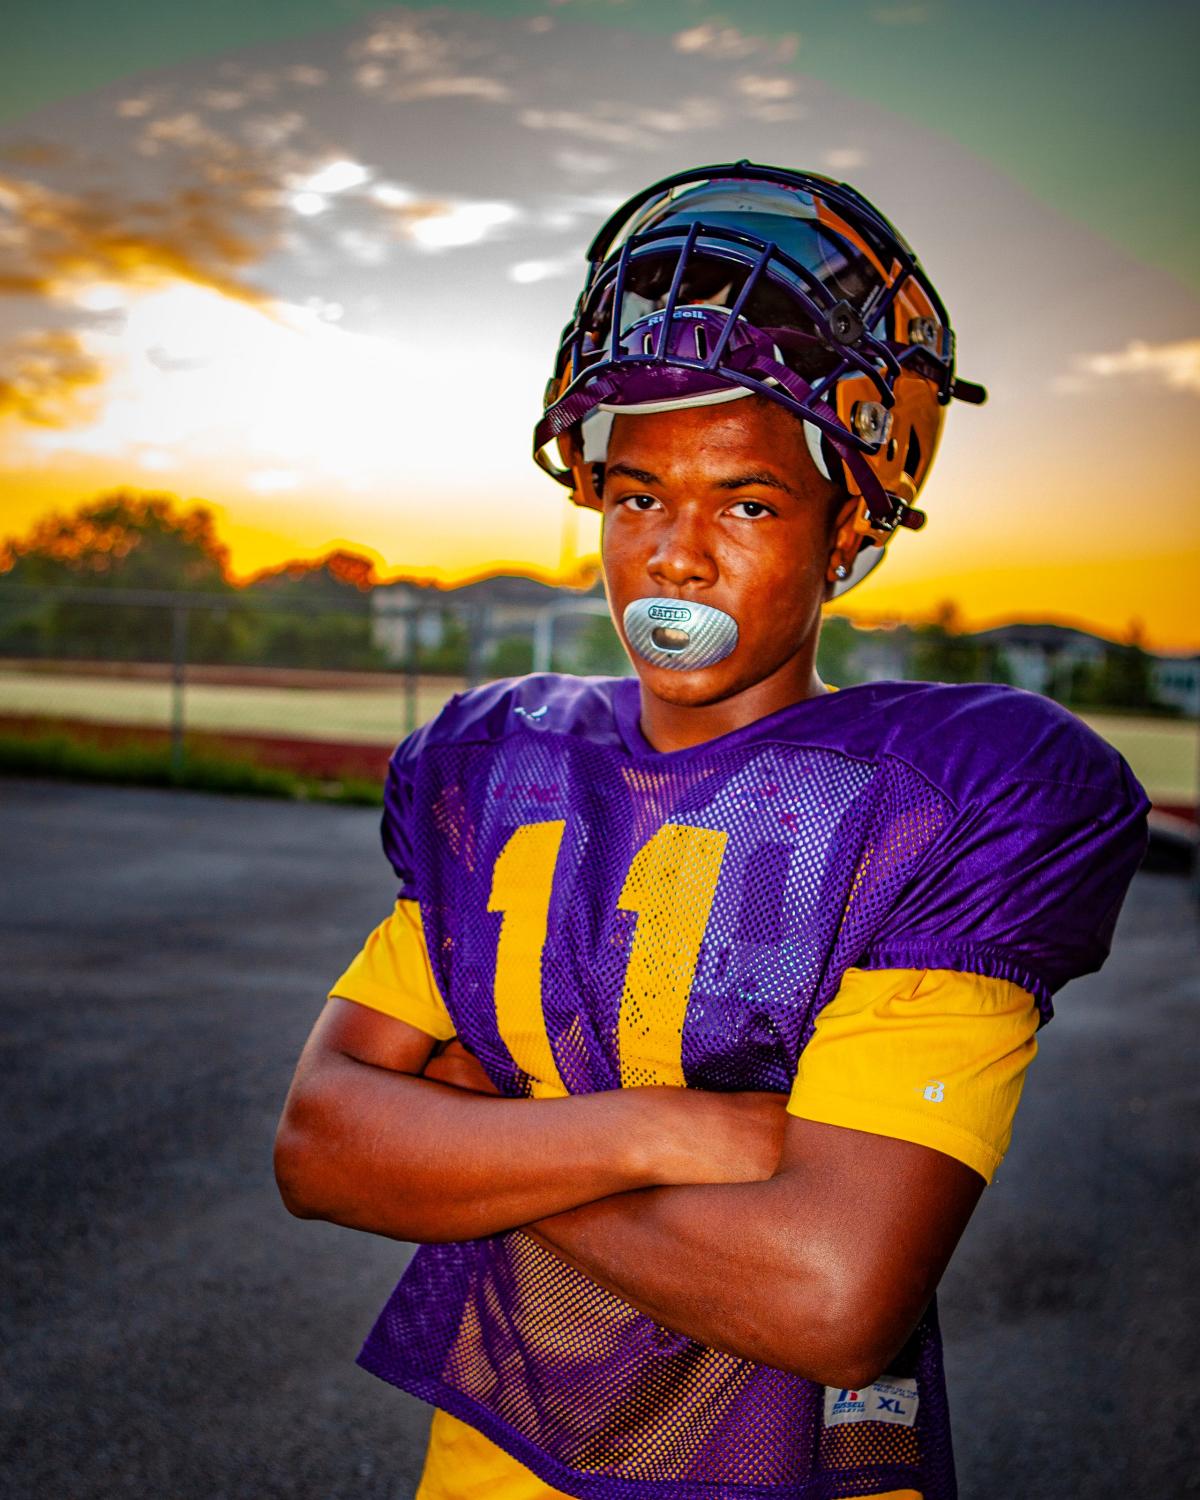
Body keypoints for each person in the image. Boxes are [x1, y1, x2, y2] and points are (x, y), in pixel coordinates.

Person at [275, 162, 1149, 1500]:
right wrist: (662, 1131)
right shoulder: (498, 765)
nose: (677, 556)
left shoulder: (946, 800)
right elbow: (321, 1144)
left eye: (746, 501)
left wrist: (483, 1139)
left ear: (850, 523)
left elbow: (832, 1292)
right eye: (637, 496)